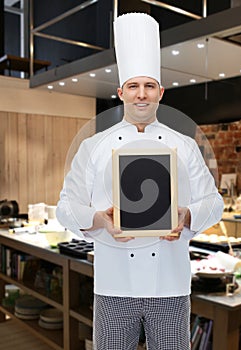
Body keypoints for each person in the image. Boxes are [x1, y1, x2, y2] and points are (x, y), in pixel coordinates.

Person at [56, 13, 224, 350]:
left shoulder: (186, 146)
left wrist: (185, 215)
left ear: (160, 92)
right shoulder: (94, 147)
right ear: (121, 92)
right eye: (134, 86)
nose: (141, 95)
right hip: (113, 285)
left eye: (149, 86)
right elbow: (65, 208)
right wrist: (99, 219)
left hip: (170, 286)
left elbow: (215, 203)